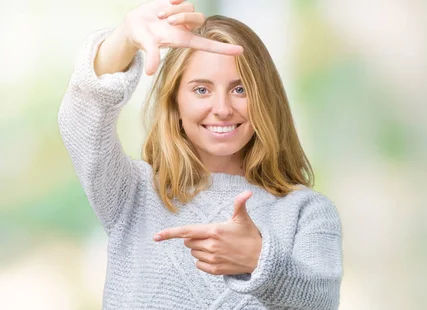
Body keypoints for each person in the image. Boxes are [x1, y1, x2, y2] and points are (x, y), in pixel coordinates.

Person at [57, 0, 343, 309]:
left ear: (266, 99)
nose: (221, 109)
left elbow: (321, 301)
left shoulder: (306, 211)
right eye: (201, 90)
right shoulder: (133, 192)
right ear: (175, 102)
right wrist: (125, 37)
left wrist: (259, 260)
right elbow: (79, 120)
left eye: (240, 89)